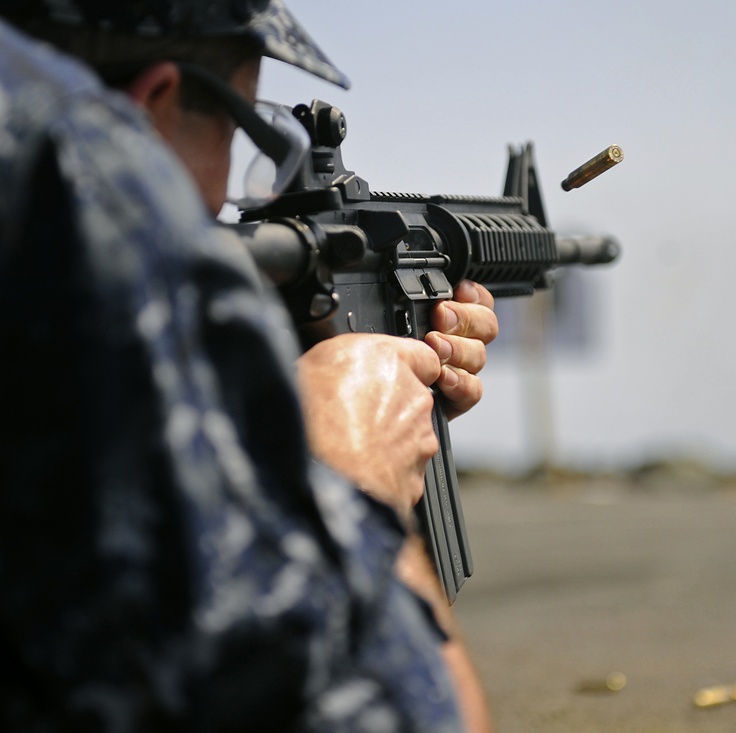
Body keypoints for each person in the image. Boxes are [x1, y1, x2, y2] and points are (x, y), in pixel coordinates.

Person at [0, 1, 496, 731]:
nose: (229, 197)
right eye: (240, 130)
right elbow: (417, 715)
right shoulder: (65, 170)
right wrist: (348, 474)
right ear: (151, 106)